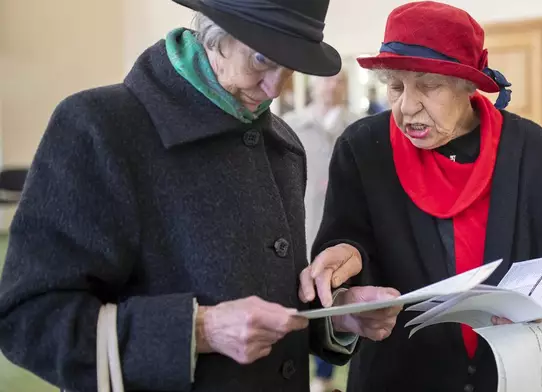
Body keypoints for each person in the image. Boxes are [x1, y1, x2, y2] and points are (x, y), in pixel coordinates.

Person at [0, 1, 401, 391]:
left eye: (291, 66)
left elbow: (272, 305)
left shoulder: (283, 147)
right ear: (214, 34)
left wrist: (338, 314)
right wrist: (199, 331)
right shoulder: (99, 128)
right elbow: (28, 320)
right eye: (262, 59)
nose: (275, 88)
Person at [301, 2, 542, 391]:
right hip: (398, 378)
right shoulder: (363, 150)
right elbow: (347, 242)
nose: (407, 105)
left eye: (428, 86)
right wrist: (345, 257)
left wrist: (539, 315)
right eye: (395, 86)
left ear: (467, 86)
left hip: (510, 380)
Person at [283, 72, 362, 392]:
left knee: (338, 300)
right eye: (326, 80)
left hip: (345, 232)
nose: (332, 86)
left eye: (339, 81)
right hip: (304, 226)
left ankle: (328, 373)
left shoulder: (358, 127)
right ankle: (314, 374)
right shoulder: (291, 126)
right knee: (306, 298)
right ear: (313, 85)